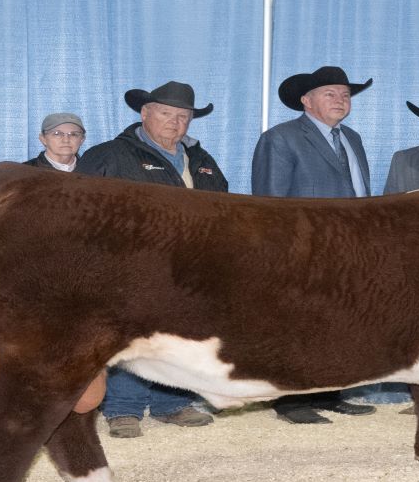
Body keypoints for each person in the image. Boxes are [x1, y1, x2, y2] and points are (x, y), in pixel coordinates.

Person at [79, 81, 226, 438]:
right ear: (145, 114)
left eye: (183, 116)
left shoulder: (202, 161)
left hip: (188, 267)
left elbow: (225, 208)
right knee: (130, 336)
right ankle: (123, 409)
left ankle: (171, 403)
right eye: (165, 114)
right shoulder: (110, 155)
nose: (175, 123)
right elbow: (80, 210)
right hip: (128, 265)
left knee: (178, 336)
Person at [251, 65, 378, 424]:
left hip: (349, 251)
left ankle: (331, 392)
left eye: (345, 94)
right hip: (302, 251)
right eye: (330, 94)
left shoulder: (352, 138)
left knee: (339, 323)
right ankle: (291, 402)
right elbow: (269, 205)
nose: (340, 100)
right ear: (306, 101)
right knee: (297, 325)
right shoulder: (281, 138)